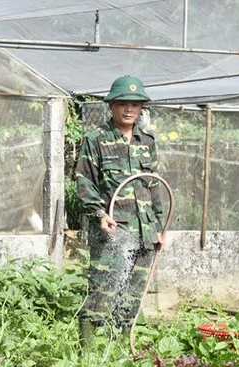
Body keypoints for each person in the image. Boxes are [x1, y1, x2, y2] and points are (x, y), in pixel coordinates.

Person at [74, 75, 167, 347]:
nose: (129, 110)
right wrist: (99, 214)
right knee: (101, 292)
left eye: (136, 105)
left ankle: (121, 349)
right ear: (111, 106)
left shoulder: (146, 141)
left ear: (141, 109)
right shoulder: (96, 139)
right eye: (123, 104)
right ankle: (87, 353)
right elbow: (84, 181)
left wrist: (158, 227)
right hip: (114, 230)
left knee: (132, 295)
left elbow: (153, 185)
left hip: (144, 231)